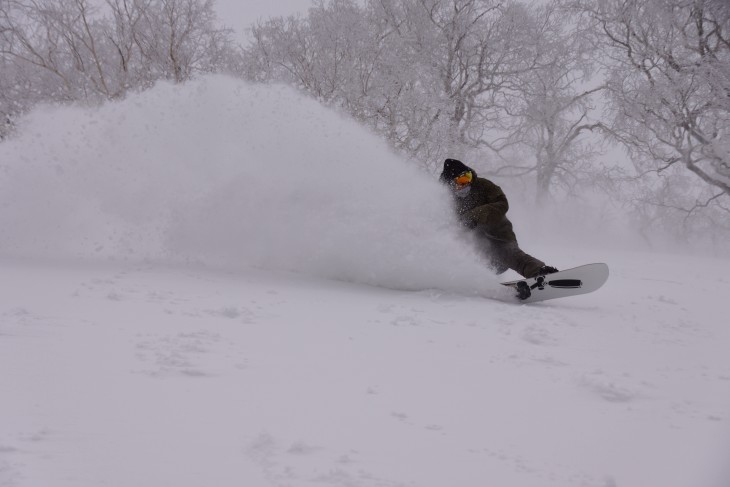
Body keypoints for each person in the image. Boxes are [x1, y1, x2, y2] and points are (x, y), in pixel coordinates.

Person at [439, 158, 558, 279]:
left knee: (509, 254)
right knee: (470, 263)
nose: (467, 183)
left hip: (498, 236)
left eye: (468, 177)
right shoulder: (448, 199)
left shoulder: (483, 186)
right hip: (475, 247)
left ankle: (539, 273)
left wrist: (475, 215)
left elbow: (502, 204)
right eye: (462, 180)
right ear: (451, 184)